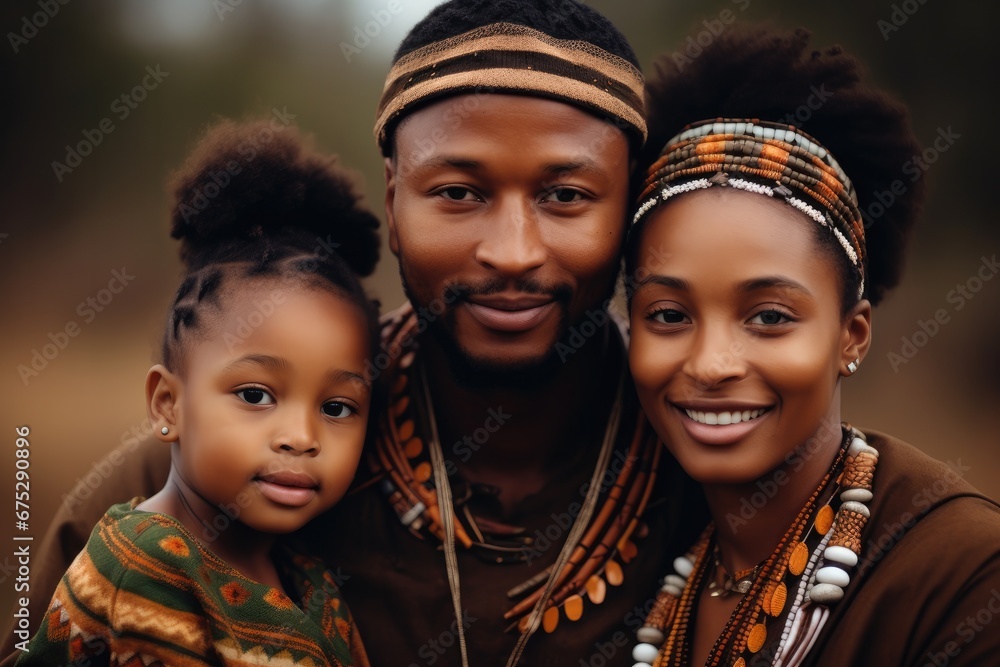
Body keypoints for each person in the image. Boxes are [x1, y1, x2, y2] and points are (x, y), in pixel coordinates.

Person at [1, 2, 705, 667]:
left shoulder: (705, 458)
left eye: (566, 196)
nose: (513, 251)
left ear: (630, 205)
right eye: (459, 192)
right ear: (394, 200)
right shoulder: (202, 472)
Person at [623, 26, 1000, 667]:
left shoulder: (962, 578)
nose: (712, 364)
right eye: (668, 314)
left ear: (852, 334)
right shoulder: (662, 551)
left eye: (769, 316)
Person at [13, 120, 381, 666]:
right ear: (168, 404)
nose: (302, 438)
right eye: (256, 395)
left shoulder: (313, 586)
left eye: (336, 407)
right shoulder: (145, 568)